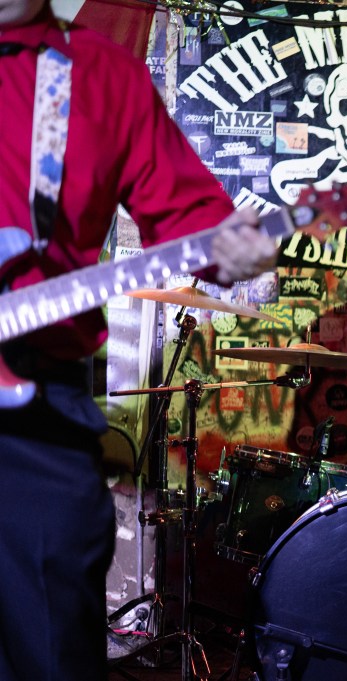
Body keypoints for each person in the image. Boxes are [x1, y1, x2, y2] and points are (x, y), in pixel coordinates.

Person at [0, 0, 279, 678]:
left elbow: (193, 217)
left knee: (50, 645)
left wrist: (232, 248)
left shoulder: (98, 75)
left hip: (35, 414)